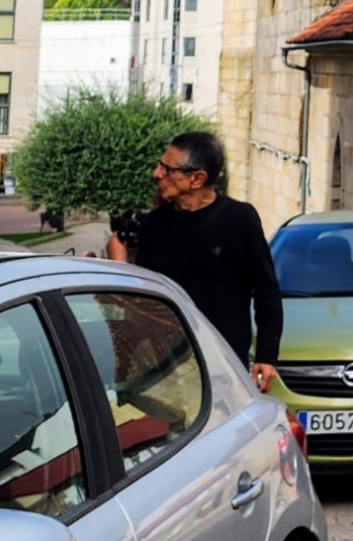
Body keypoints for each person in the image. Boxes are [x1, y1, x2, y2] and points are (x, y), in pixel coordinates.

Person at [107, 132, 282, 392]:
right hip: (165, 368)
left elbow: (267, 291)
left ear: (197, 178)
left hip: (223, 365)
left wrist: (267, 356)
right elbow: (143, 297)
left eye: (167, 169)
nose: (157, 174)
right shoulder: (154, 225)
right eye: (159, 165)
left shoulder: (239, 219)